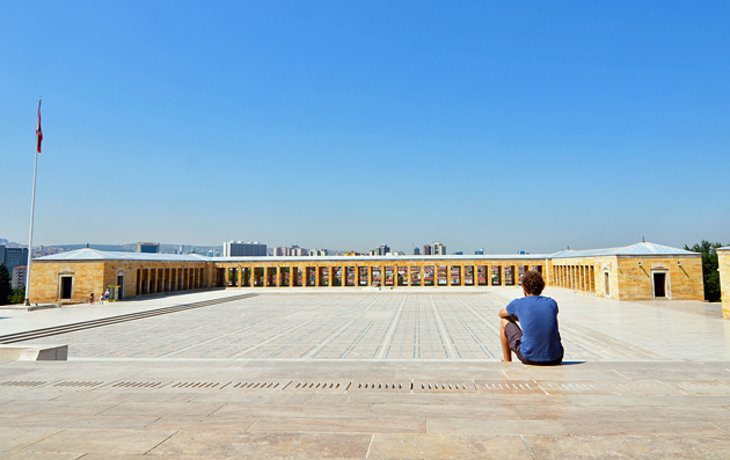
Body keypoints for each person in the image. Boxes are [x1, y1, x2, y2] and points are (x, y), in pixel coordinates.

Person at [498, 270, 563, 365]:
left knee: (504, 321)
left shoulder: (518, 303)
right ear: (542, 286)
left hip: (529, 357)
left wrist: (519, 316)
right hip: (556, 358)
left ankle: (507, 361)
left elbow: (501, 314)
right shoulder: (551, 303)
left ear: (524, 287)